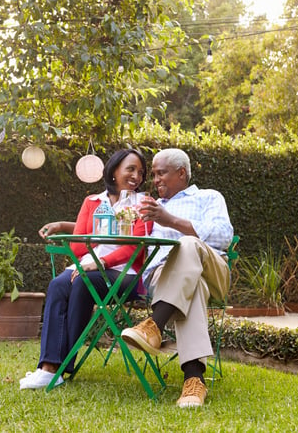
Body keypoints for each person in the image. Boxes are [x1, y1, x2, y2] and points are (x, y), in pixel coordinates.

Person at [19, 148, 152, 390]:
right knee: (58, 284)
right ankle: (48, 367)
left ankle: (59, 366)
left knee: (83, 282)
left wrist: (102, 261)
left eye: (141, 172)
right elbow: (78, 245)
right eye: (130, 169)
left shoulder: (144, 204)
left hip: (127, 275)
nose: (136, 176)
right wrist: (100, 236)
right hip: (87, 266)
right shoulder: (92, 202)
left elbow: (135, 248)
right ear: (113, 172)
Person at [121, 148, 233, 408]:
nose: (156, 180)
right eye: (155, 175)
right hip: (164, 278)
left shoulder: (208, 197)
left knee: (189, 244)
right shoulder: (150, 207)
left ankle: (154, 326)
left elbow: (222, 237)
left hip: (212, 269)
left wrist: (171, 221)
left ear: (181, 173)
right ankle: (194, 381)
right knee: (193, 288)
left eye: (162, 173)